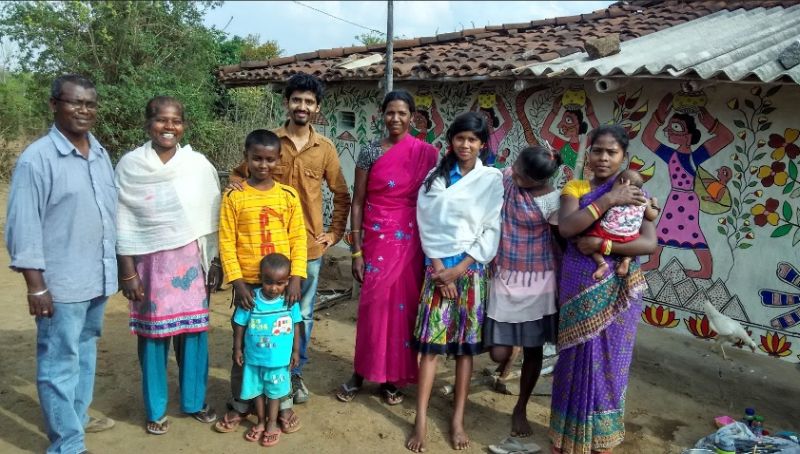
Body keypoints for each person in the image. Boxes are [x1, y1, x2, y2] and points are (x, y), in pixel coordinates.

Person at [224, 73, 350, 422]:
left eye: (309, 102)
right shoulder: (268, 142)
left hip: (305, 250)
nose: (303, 107)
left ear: (317, 108)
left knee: (299, 316)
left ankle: (292, 376)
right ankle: (249, 388)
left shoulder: (324, 148)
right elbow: (238, 176)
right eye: (297, 100)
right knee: (252, 317)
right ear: (287, 103)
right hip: (258, 255)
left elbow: (341, 193)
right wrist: (235, 188)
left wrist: (334, 234)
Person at [5, 74, 117, 453]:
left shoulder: (99, 154)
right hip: (61, 283)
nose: (83, 110)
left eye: (90, 104)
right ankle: (66, 443)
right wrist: (36, 285)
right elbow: (23, 226)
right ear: (55, 105)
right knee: (58, 362)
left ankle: (77, 416)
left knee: (84, 352)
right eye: (74, 102)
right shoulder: (37, 160)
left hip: (96, 276)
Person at [115, 96, 221, 434]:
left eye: (176, 121)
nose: (169, 127)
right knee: (153, 339)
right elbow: (120, 221)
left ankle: (194, 401)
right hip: (149, 269)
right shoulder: (131, 166)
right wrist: (127, 271)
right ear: (148, 124)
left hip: (192, 265)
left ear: (184, 125)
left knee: (194, 336)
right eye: (162, 120)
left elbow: (212, 216)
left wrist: (214, 261)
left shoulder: (198, 165)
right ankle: (155, 408)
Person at [549, 125, 657, 454]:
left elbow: (649, 243)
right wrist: (610, 198)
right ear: (589, 153)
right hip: (580, 283)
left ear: (624, 157)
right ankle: (567, 437)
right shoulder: (576, 187)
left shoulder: (636, 190)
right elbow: (568, 227)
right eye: (597, 150)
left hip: (619, 287)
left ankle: (602, 439)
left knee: (612, 360)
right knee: (574, 359)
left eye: (612, 152)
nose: (603, 158)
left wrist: (603, 244)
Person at [407, 112, 504, 452]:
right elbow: (426, 223)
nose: (465, 145)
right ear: (451, 141)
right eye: (460, 138)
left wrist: (459, 268)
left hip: (471, 270)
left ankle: (457, 418)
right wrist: (438, 271)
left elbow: (490, 227)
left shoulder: (491, 179)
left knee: (465, 351)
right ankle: (420, 418)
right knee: (431, 349)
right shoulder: (437, 178)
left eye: (472, 140)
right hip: (436, 269)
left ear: (481, 144)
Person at [335, 90, 438, 405]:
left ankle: (392, 379)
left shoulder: (427, 153)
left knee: (403, 311)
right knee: (373, 307)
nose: (395, 118)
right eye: (390, 112)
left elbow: (437, 199)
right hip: (377, 238)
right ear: (382, 115)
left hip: (411, 240)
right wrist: (355, 249)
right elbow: (358, 201)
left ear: (413, 117)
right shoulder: (369, 151)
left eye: (402, 113)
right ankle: (360, 372)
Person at [216, 129, 307, 434]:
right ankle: (241, 405)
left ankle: (283, 406)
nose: (263, 165)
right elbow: (226, 241)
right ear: (247, 157)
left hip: (281, 288)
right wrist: (238, 282)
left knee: (281, 345)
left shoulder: (288, 196)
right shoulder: (234, 196)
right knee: (244, 347)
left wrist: (296, 278)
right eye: (257, 158)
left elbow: (298, 238)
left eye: (270, 159)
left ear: (279, 160)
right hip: (249, 289)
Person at [484, 145, 562, 448]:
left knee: (533, 349)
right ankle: (507, 358)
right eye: (514, 167)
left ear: (537, 182)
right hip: (503, 276)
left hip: (537, 282)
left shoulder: (553, 201)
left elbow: (560, 243)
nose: (513, 174)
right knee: (498, 352)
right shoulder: (506, 178)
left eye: (521, 175)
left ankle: (521, 408)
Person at [640, 91, 732, 279]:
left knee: (693, 234)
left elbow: (726, 137)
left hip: (688, 200)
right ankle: (654, 260)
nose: (670, 131)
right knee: (662, 230)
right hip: (675, 198)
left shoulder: (694, 157)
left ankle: (706, 270)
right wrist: (659, 114)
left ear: (689, 136)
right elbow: (647, 139)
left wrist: (707, 119)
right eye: (670, 126)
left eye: (676, 127)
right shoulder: (671, 155)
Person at [233, 253, 302, 448]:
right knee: (257, 392)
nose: (274, 288)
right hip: (253, 359)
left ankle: (272, 422)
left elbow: (296, 325)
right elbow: (239, 324)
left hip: (279, 361)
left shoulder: (289, 301)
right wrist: (238, 348)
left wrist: (295, 352)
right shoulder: (252, 299)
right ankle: (261, 421)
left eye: (280, 283)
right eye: (268, 282)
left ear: (287, 281)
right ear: (260, 278)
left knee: (273, 394)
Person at [585, 169, 660, 281]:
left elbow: (600, 213)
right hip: (630, 237)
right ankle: (627, 259)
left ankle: (601, 263)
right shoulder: (644, 199)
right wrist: (655, 203)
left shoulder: (613, 197)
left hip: (606, 232)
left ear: (621, 182)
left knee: (588, 241)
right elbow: (652, 215)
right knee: (635, 247)